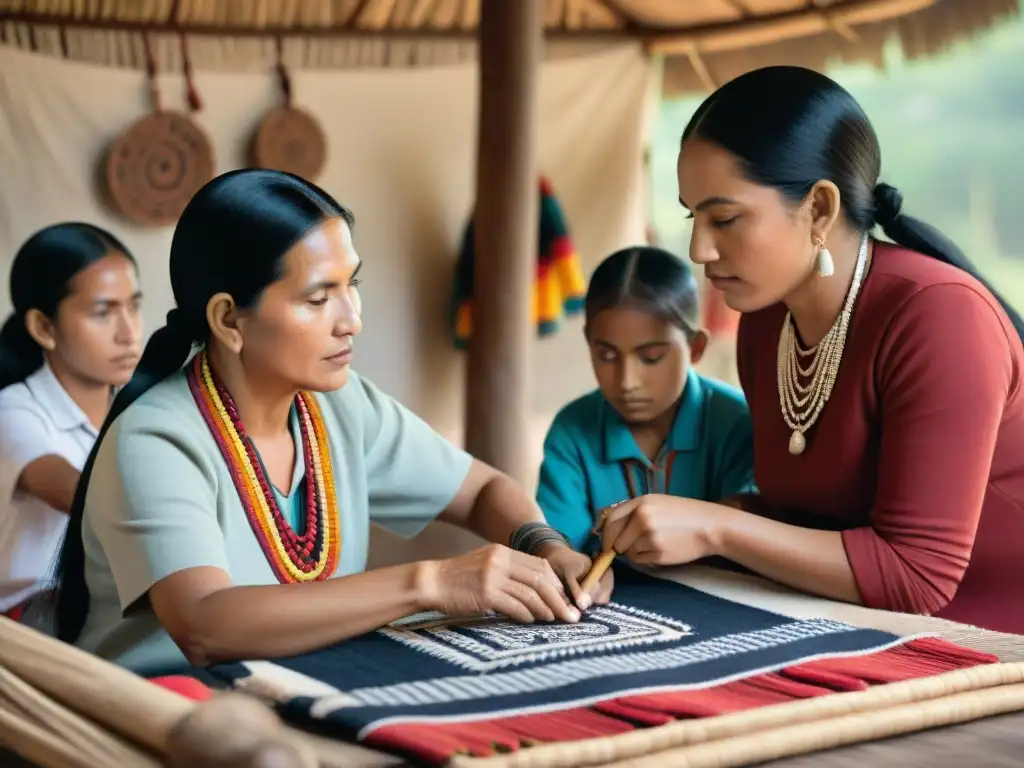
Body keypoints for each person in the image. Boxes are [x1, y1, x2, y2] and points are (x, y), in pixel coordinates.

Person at [49, 169, 612, 677]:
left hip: (304, 692)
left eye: (353, 286)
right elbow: (204, 625)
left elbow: (483, 489)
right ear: (228, 319)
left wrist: (546, 547)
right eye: (319, 298)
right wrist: (432, 582)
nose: (352, 321)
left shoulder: (340, 409)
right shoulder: (156, 440)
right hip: (165, 720)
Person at [599, 66, 1024, 635]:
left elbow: (918, 576)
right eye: (692, 216)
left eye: (724, 218)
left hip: (989, 646)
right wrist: (719, 517)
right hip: (848, 627)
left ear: (820, 209)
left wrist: (713, 528)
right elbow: (817, 518)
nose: (699, 249)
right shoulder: (766, 321)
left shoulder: (939, 316)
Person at [536, 246, 754, 554]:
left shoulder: (738, 425)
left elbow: (751, 536)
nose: (627, 382)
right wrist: (564, 560)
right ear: (589, 342)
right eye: (607, 356)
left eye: (651, 357)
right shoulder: (572, 432)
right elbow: (556, 543)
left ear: (695, 348)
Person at [0, 223, 142, 627]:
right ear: (44, 327)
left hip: (98, 603)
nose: (129, 333)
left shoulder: (136, 411)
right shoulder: (13, 412)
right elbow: (84, 500)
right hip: (25, 620)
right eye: (103, 313)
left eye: (133, 306)